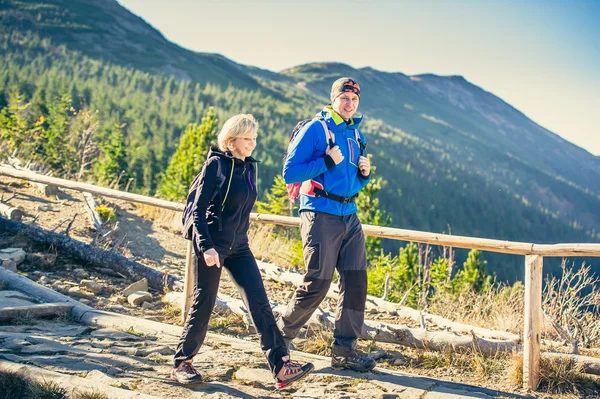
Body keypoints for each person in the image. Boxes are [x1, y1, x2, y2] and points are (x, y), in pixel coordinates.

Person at [171, 114, 314, 389]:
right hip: (212, 244)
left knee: (260, 303)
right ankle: (182, 363)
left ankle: (282, 366)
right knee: (204, 303)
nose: (253, 144)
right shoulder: (216, 165)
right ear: (231, 140)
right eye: (247, 139)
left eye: (254, 138)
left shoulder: (249, 168)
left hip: (239, 246)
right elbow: (197, 211)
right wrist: (206, 246)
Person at [277, 78, 376, 372]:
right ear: (334, 99)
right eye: (344, 98)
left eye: (354, 100)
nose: (349, 104)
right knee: (317, 283)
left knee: (356, 283)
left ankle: (345, 351)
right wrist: (327, 162)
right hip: (319, 214)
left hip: (350, 216)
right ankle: (278, 339)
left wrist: (365, 175)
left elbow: (352, 180)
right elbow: (289, 172)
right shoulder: (316, 129)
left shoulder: (355, 134)